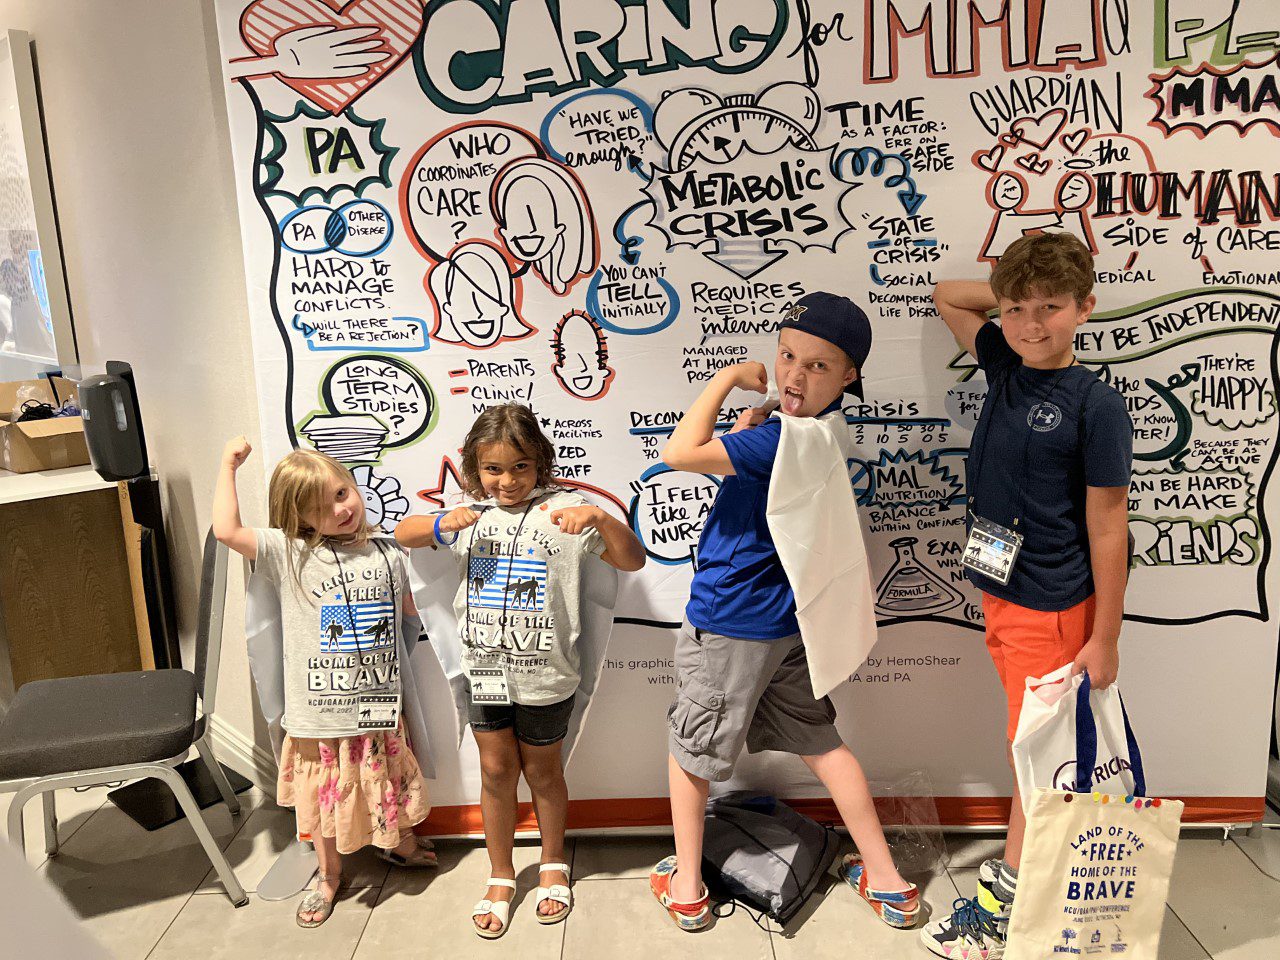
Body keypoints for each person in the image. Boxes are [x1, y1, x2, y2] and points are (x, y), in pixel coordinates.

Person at [651, 291, 920, 932]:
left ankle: (687, 887)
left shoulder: (778, 439)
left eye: (819, 366)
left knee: (691, 749)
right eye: (787, 355)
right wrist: (750, 441)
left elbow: (679, 453)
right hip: (786, 621)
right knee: (823, 744)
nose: (795, 375)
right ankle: (887, 881)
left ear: (850, 373)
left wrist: (722, 380)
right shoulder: (820, 433)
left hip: (731, 617)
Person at [925, 233, 1133, 960]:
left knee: (1034, 762)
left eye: (1052, 308)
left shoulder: (1095, 405)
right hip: (1001, 595)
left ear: (1086, 308)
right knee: (1031, 750)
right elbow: (948, 294)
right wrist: (1014, 295)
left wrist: (1104, 637)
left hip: (1051, 607)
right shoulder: (1006, 364)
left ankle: (1006, 907)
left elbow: (1109, 525)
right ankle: (1038, 881)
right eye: (1017, 310)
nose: (1031, 324)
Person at [396, 403, 645, 939]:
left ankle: (553, 862)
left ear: (539, 463)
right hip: (483, 671)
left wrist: (601, 519)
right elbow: (404, 533)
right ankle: (502, 872)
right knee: (494, 772)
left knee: (545, 772)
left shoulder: (569, 511)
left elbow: (632, 561)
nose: (506, 481)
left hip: (548, 673)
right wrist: (443, 521)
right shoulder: (472, 516)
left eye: (519, 467)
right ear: (474, 468)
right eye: (493, 469)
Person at [213, 439, 434, 929]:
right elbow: (226, 530)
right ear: (300, 519)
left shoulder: (386, 553)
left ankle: (395, 843)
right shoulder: (287, 552)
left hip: (376, 704)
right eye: (320, 508)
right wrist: (228, 466)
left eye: (341, 493)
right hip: (319, 712)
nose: (340, 510)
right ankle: (329, 875)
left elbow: (413, 616)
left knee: (382, 781)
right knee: (327, 797)